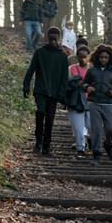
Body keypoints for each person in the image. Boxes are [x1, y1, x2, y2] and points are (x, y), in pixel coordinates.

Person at [23, 27, 68, 156]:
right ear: (47, 38)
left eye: (55, 37)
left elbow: (64, 78)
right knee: (40, 112)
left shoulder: (62, 56)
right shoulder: (40, 53)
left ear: (58, 38)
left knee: (50, 119)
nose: (53, 39)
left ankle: (46, 146)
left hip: (54, 92)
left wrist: (61, 93)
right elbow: (31, 69)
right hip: (41, 90)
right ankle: (38, 141)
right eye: (51, 37)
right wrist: (26, 85)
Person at [82, 44, 112, 165]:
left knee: (111, 128)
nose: (103, 59)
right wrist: (88, 87)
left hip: (108, 103)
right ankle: (96, 155)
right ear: (97, 57)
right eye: (101, 57)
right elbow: (83, 84)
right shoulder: (92, 70)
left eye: (106, 57)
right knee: (96, 130)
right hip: (94, 103)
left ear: (109, 58)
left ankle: (108, 145)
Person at [66, 45, 91, 156]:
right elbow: (66, 84)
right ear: (77, 57)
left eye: (85, 57)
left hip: (90, 101)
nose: (83, 59)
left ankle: (91, 142)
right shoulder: (71, 69)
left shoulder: (92, 69)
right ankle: (80, 149)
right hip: (76, 101)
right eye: (80, 57)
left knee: (91, 126)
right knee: (78, 128)